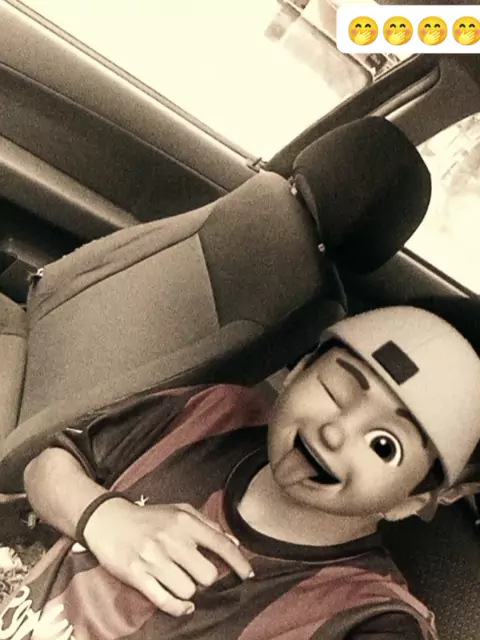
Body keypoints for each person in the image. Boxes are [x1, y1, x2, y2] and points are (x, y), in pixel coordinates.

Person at [1, 304, 480, 640]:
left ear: (411, 500)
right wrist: (104, 517)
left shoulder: (368, 615)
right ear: (297, 371)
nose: (335, 432)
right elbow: (48, 464)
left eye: (383, 445)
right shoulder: (217, 410)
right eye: (336, 390)